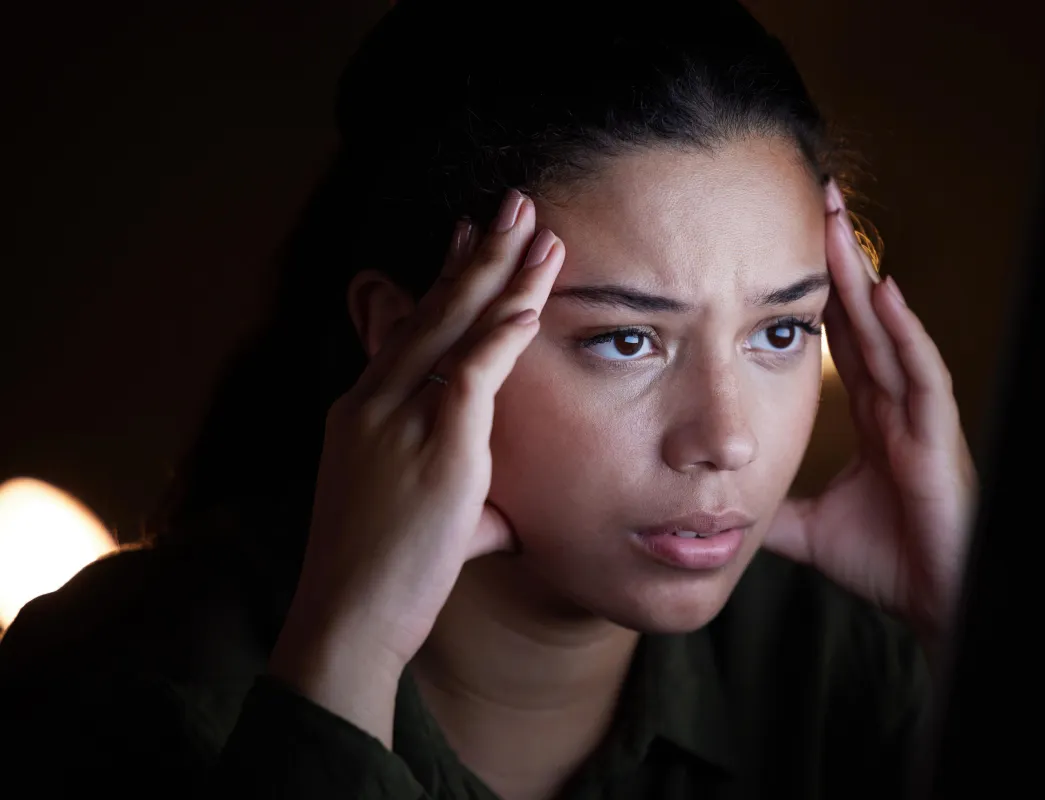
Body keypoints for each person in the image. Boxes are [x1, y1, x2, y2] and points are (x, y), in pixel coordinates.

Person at [0, 1, 977, 797]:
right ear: (402, 332)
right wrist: (345, 656)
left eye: (780, 331)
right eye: (626, 340)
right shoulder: (119, 681)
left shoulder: (845, 667)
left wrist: (971, 612)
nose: (725, 438)